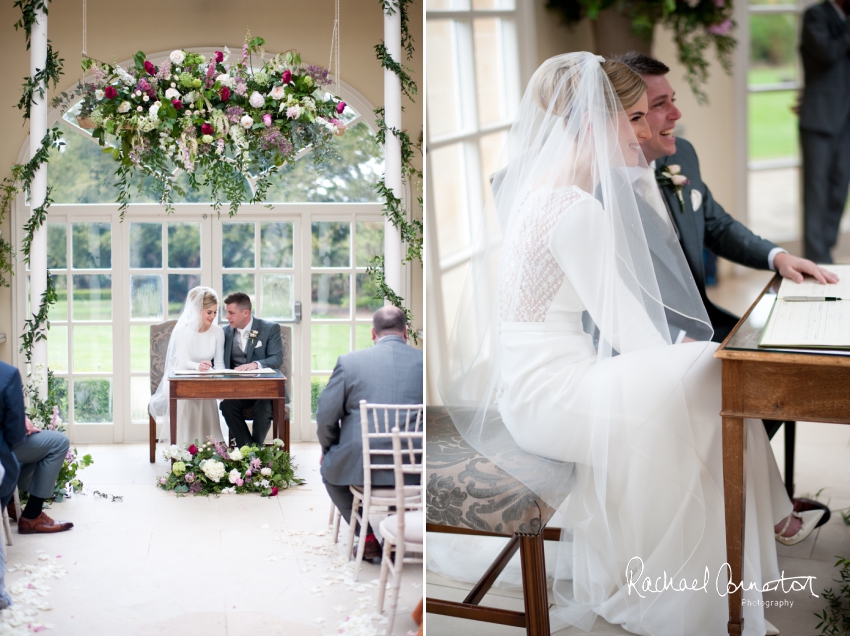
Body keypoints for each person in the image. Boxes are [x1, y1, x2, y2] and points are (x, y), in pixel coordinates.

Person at [437, 53, 823, 636]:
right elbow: (630, 335)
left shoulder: (539, 191)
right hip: (555, 397)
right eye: (636, 118)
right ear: (596, 120)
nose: (646, 132)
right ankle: (738, 545)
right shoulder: (576, 208)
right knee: (709, 375)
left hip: (538, 387)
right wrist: (681, 363)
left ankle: (741, 539)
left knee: (705, 382)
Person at [616, 52, 838, 343]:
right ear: (626, 118)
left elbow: (716, 224)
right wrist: (676, 340)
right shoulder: (595, 193)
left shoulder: (681, 154)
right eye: (660, 104)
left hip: (706, 324)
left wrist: (778, 257)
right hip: (645, 342)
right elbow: (602, 302)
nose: (676, 113)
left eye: (673, 99)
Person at [316, 306, 423, 561]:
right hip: (414, 470)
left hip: (360, 467)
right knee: (404, 474)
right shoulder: (424, 363)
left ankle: (367, 537)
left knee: (329, 472)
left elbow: (325, 417)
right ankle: (398, 532)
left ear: (373, 333)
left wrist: (328, 449)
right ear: (405, 332)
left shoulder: (350, 362)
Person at [799, 0, 850, 263]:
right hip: (819, 119)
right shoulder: (815, 16)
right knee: (817, 193)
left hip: (846, 122)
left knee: (839, 190)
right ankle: (817, 259)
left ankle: (825, 251)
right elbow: (828, 52)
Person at [1, 361, 73, 535]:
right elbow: (14, 437)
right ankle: (32, 515)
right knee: (58, 443)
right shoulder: (6, 374)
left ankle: (10, 502)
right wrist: (21, 423)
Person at [149, 286, 225, 445]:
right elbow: (183, 362)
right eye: (209, 312)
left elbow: (219, 363)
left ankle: (210, 447)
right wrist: (198, 367)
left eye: (215, 312)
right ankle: (189, 448)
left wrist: (221, 383)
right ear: (198, 310)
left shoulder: (218, 332)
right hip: (184, 378)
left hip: (208, 379)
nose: (213, 316)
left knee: (207, 393)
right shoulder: (182, 332)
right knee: (192, 396)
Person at [219, 292, 283, 447]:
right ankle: (252, 451)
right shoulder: (224, 332)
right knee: (227, 405)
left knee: (263, 406)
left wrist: (255, 364)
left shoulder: (270, 328)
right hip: (238, 391)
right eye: (227, 312)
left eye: (231, 313)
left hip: (264, 390)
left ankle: (251, 452)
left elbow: (277, 359)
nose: (227, 317)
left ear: (245, 313)